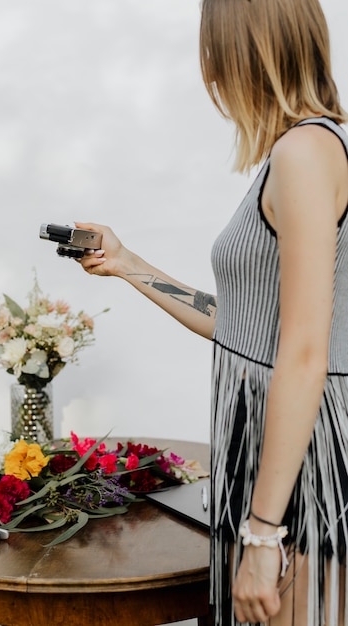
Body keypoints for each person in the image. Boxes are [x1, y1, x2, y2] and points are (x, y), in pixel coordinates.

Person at [75, 0, 348, 624]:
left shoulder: (305, 155)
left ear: (237, 53)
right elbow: (248, 329)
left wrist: (261, 534)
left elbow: (305, 355)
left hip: (303, 473)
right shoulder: (300, 151)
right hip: (273, 460)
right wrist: (126, 263)